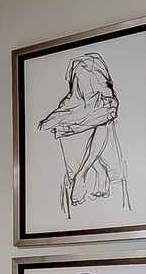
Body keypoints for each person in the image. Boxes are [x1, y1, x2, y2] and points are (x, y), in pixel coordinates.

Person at [38, 51, 129, 216]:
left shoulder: (106, 102)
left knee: (102, 122)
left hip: (95, 128)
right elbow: (48, 124)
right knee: (64, 128)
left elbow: (105, 110)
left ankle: (84, 176)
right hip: (78, 121)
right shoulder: (69, 104)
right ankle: (94, 173)